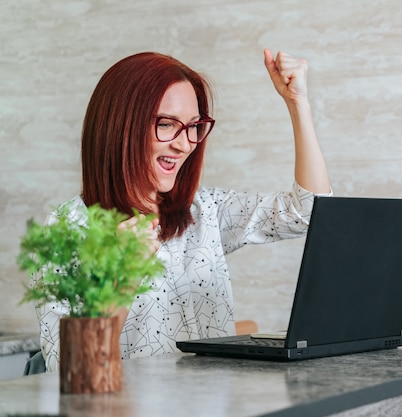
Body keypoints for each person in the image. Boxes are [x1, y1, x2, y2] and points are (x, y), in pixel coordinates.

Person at [36, 49, 332, 372]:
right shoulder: (66, 231)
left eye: (193, 126)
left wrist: (298, 103)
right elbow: (72, 372)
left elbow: (309, 213)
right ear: (120, 126)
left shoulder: (205, 211)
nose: (185, 144)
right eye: (166, 124)